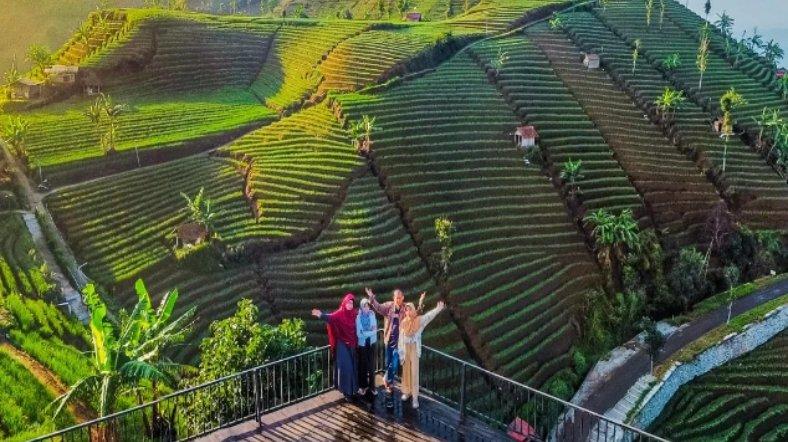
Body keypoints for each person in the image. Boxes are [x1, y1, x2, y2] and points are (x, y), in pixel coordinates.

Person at [365, 287, 425, 393]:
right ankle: (389, 381)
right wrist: (371, 298)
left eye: (399, 298)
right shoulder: (389, 306)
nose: (397, 299)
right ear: (393, 298)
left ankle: (388, 381)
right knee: (388, 363)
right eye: (396, 298)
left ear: (402, 298)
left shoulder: (405, 308)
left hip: (400, 342)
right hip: (389, 340)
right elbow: (378, 307)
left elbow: (415, 314)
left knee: (395, 362)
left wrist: (420, 302)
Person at [399, 300, 445, 409]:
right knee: (406, 371)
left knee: (414, 372)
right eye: (406, 310)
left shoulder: (419, 320)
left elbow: (428, 316)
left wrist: (438, 309)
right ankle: (407, 391)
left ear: (413, 310)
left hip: (414, 348)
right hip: (405, 348)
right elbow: (400, 338)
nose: (408, 312)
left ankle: (415, 397)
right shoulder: (404, 322)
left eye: (410, 309)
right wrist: (400, 350)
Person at [311, 293, 358, 399]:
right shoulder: (340, 313)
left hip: (352, 344)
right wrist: (321, 315)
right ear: (345, 303)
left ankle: (352, 390)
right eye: (349, 302)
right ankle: (347, 392)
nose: (350, 305)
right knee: (347, 368)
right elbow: (330, 318)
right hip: (342, 345)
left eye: (352, 303)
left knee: (353, 367)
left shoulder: (354, 314)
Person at [356, 298, 378, 396]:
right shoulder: (358, 318)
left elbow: (375, 330)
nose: (366, 308)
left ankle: (372, 387)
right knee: (363, 366)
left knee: (371, 366)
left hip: (372, 343)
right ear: (361, 306)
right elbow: (359, 334)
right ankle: (363, 387)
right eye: (364, 306)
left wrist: (365, 332)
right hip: (362, 345)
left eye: (368, 306)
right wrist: (369, 332)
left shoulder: (372, 315)